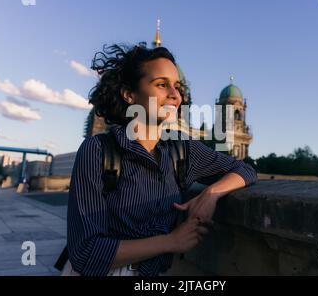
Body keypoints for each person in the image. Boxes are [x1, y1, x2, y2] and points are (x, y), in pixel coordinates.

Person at [61, 44, 257, 276]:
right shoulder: (97, 150)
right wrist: (171, 241)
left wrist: (211, 194)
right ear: (128, 94)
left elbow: (245, 169)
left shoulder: (183, 149)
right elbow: (85, 253)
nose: (175, 95)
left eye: (177, 86)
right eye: (162, 84)